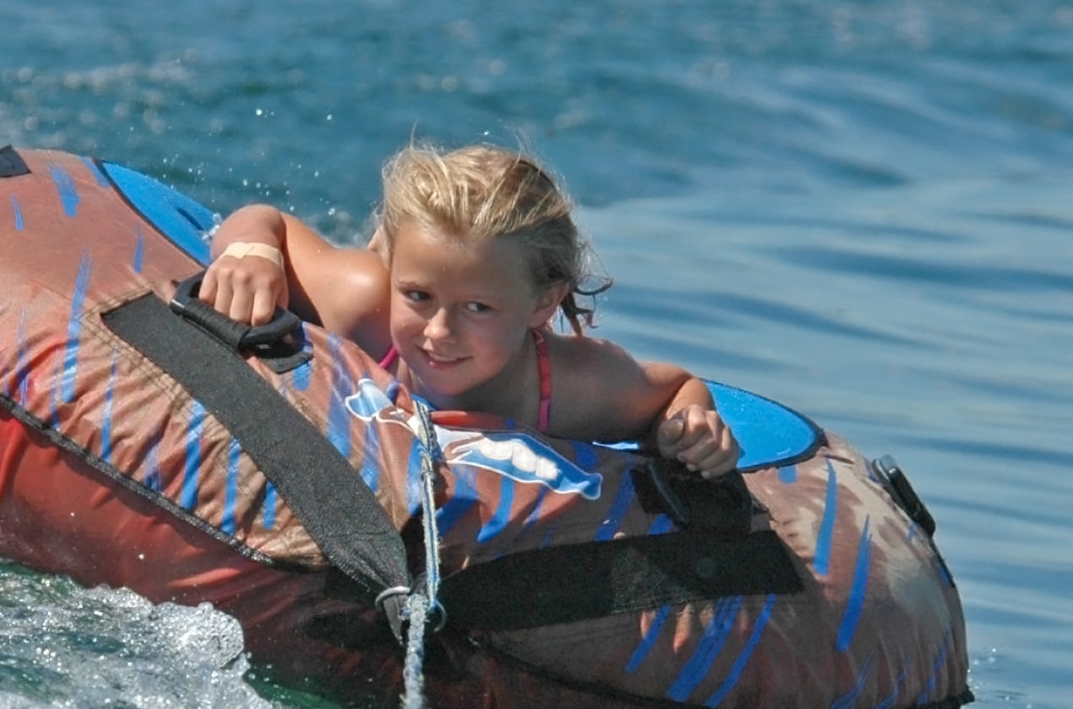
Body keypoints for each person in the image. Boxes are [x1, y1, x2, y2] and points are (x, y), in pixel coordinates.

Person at [198, 143, 739, 478]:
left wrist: (688, 427)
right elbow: (263, 217)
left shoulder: (571, 385)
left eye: (477, 308)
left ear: (544, 303)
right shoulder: (367, 308)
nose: (438, 332)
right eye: (419, 298)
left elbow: (675, 388)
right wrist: (252, 252)